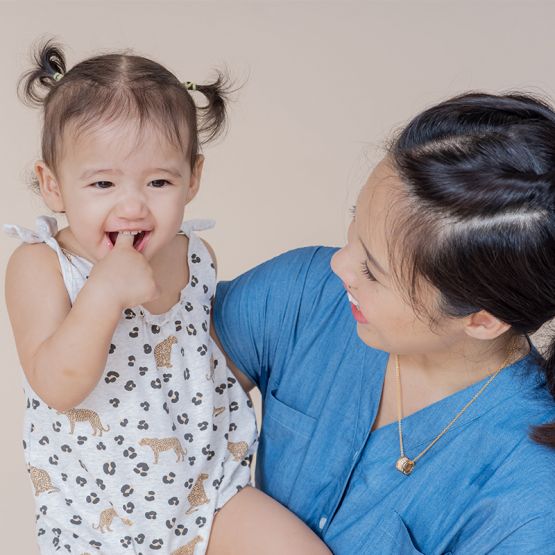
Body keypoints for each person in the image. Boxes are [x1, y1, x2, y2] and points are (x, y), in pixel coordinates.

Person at [4, 41, 330, 555]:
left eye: (159, 181)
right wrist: (104, 290)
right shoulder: (42, 265)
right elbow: (57, 385)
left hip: (208, 490)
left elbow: (201, 359)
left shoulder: (194, 254)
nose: (132, 205)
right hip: (98, 519)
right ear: (53, 186)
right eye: (102, 183)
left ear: (193, 179)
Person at [213, 91, 555, 554]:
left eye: (373, 270)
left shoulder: (531, 496)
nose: (340, 264)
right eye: (355, 229)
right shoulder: (305, 293)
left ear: (481, 319)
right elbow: (137, 405)